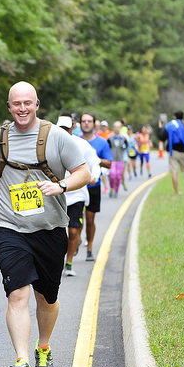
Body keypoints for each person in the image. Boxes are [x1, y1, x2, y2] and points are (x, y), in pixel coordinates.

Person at [0, 82, 90, 367]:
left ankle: (43, 347)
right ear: (9, 107)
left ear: (37, 104)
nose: (22, 109)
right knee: (17, 294)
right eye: (16, 104)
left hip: (50, 229)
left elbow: (83, 172)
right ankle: (22, 361)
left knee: (47, 297)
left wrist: (61, 186)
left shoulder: (58, 138)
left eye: (28, 103)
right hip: (9, 226)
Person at [56, 115, 100, 277]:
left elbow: (94, 162)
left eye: (66, 129)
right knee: (58, 233)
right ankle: (57, 261)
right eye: (60, 129)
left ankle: (69, 263)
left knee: (73, 231)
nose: (63, 132)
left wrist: (94, 176)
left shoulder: (82, 145)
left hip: (77, 195)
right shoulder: (48, 144)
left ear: (72, 128)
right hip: (56, 195)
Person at [80, 113, 112, 262]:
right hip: (77, 186)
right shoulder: (75, 141)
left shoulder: (102, 142)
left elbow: (109, 163)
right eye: (84, 121)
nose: (86, 123)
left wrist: (94, 158)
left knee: (90, 219)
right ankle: (76, 240)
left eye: (89, 121)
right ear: (79, 124)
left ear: (94, 124)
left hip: (94, 185)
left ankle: (90, 247)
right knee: (76, 219)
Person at [158, 111, 184, 194]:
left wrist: (160, 127)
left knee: (174, 171)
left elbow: (161, 137)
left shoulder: (170, 126)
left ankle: (177, 191)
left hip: (173, 152)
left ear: (174, 117)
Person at [107, 121, 128, 198]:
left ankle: (116, 191)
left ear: (121, 128)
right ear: (113, 127)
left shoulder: (123, 138)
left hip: (120, 159)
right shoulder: (110, 137)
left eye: (118, 127)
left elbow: (126, 146)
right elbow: (107, 147)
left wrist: (123, 148)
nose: (117, 129)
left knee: (118, 177)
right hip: (112, 159)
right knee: (112, 176)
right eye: (115, 127)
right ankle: (112, 188)